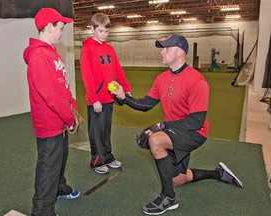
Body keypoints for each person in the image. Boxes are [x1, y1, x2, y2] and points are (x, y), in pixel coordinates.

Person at [111, 34, 243, 215]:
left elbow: (196, 121)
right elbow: (146, 105)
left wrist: (161, 126)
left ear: (180, 51)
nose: (162, 52)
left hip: (194, 132)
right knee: (179, 178)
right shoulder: (162, 78)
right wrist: (123, 97)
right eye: (161, 48)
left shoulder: (197, 81)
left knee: (155, 140)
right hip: (174, 130)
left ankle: (168, 198)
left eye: (166, 48)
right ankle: (219, 173)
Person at [23, 8, 80, 216]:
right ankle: (42, 210)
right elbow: (50, 95)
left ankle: (59, 187)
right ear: (48, 27)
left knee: (60, 159)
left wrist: (72, 104)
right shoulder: (39, 56)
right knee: (48, 166)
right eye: (60, 28)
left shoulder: (51, 52)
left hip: (59, 121)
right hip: (49, 123)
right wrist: (69, 116)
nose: (61, 32)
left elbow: (61, 86)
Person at [80, 13, 131, 174]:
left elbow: (117, 69)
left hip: (109, 98)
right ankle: (97, 161)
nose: (104, 35)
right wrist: (94, 99)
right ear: (93, 29)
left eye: (106, 31)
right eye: (101, 31)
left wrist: (125, 87)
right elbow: (86, 77)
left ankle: (108, 157)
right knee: (96, 132)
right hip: (96, 101)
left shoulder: (110, 48)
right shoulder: (88, 49)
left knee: (106, 130)